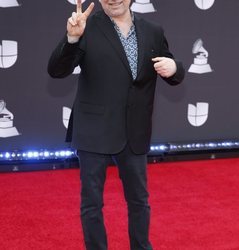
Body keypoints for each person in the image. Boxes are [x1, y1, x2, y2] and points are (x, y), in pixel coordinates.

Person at [48, 0, 185, 249]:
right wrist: (71, 39)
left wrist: (174, 67)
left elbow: (173, 69)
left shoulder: (153, 30)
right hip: (93, 129)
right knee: (92, 203)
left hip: (134, 130)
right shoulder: (86, 27)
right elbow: (57, 70)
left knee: (139, 201)